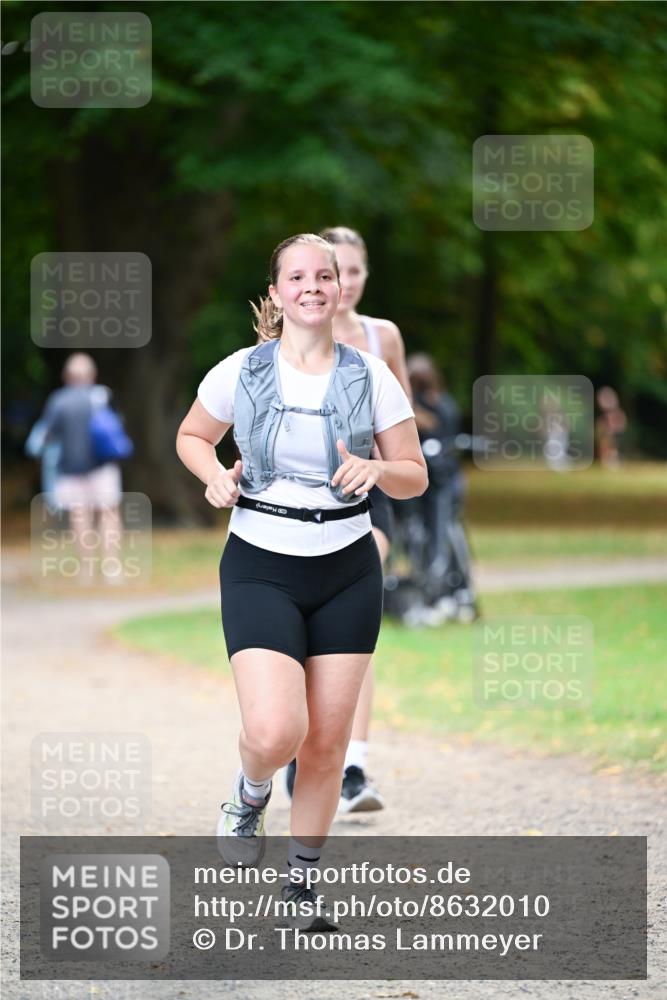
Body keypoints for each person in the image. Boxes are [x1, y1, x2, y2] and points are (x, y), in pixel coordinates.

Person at [176, 234, 426, 927]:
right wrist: (214, 478)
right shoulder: (241, 370)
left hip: (347, 566)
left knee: (325, 745)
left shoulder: (372, 376)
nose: (312, 287)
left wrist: (377, 469)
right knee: (275, 730)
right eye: (297, 277)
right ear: (276, 292)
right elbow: (192, 436)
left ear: (339, 289)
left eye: (324, 276)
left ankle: (301, 887)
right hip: (261, 561)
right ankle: (250, 792)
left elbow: (414, 474)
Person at [285, 225, 412, 813]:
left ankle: (352, 764)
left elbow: (402, 417)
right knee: (307, 631)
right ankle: (301, 742)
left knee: (356, 607)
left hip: (368, 488)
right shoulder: (294, 326)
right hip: (300, 494)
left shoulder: (384, 336)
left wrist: (392, 464)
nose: (349, 281)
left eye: (356, 270)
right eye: (340, 271)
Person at [31, 352, 124, 583]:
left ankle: (87, 568)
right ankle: (112, 567)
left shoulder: (58, 401)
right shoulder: (103, 395)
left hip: (71, 469)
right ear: (92, 375)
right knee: (109, 514)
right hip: (103, 466)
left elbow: (46, 435)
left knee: (80, 516)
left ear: (66, 376)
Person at [402, 353, 477, 624]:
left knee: (445, 535)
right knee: (423, 536)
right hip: (425, 488)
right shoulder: (414, 407)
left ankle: (453, 592)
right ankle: (435, 591)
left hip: (444, 485)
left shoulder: (441, 407)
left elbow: (444, 444)